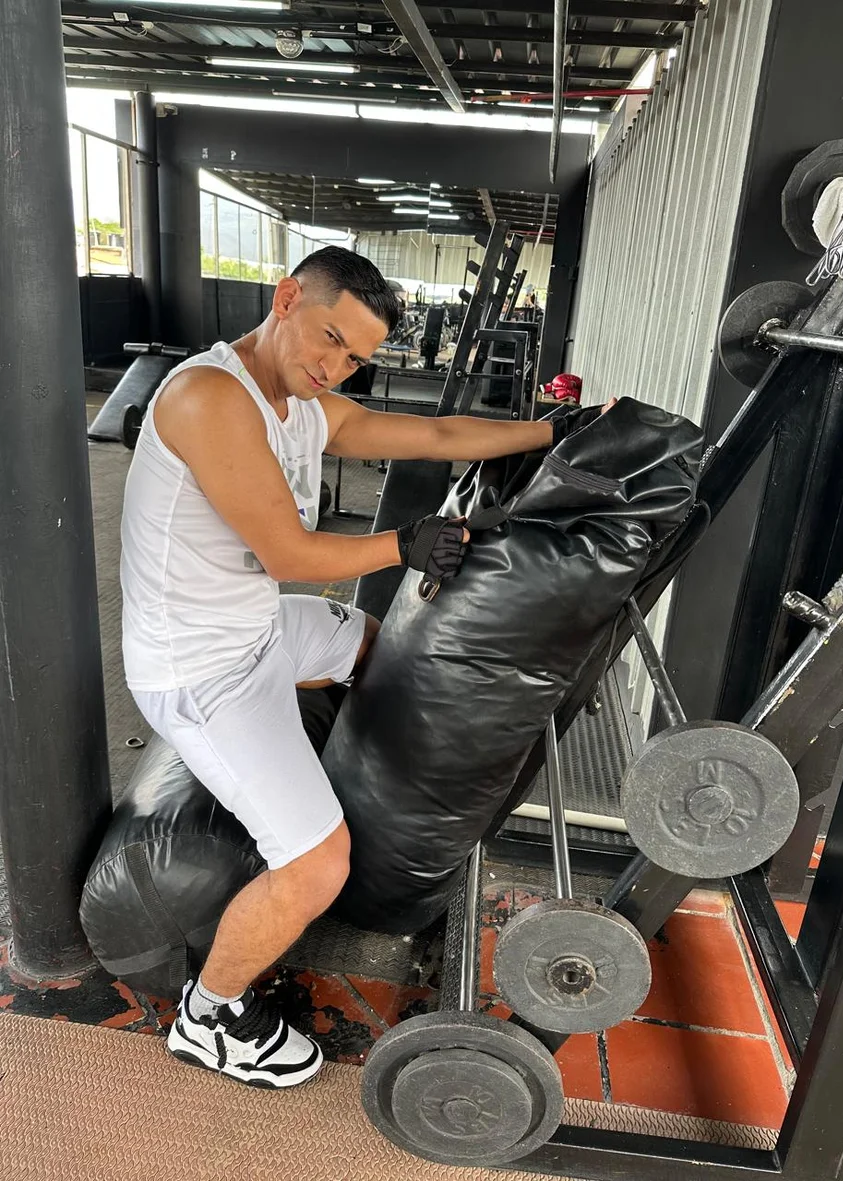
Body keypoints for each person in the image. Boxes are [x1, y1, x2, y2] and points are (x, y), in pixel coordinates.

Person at [120, 245, 592, 1090]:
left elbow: (438, 435)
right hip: (199, 668)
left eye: (354, 358)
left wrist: (557, 432)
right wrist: (405, 544)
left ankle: (333, 771)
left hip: (258, 630)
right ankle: (210, 1015)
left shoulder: (307, 406)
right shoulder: (209, 396)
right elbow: (288, 553)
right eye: (330, 339)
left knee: (375, 643)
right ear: (286, 298)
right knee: (315, 864)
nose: (334, 366)